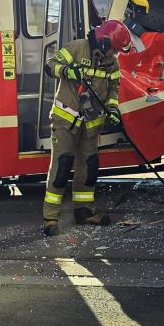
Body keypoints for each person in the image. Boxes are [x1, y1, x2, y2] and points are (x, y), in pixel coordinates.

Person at [41, 20, 132, 236]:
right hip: (66, 119)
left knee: (89, 168)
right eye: (114, 49)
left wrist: (112, 109)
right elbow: (50, 65)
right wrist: (68, 71)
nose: (115, 54)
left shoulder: (112, 64)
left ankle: (85, 212)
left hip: (91, 123)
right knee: (62, 168)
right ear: (103, 41)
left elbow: (113, 89)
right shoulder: (77, 48)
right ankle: (50, 219)